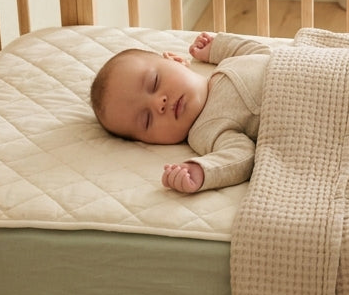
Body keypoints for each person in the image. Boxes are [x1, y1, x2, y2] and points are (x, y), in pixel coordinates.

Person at [90, 31, 268, 193]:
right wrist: (201, 171)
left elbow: (261, 52)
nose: (159, 104)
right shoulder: (206, 131)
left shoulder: (227, 64)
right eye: (147, 119)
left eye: (154, 82)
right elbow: (241, 156)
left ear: (176, 60)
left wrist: (216, 47)